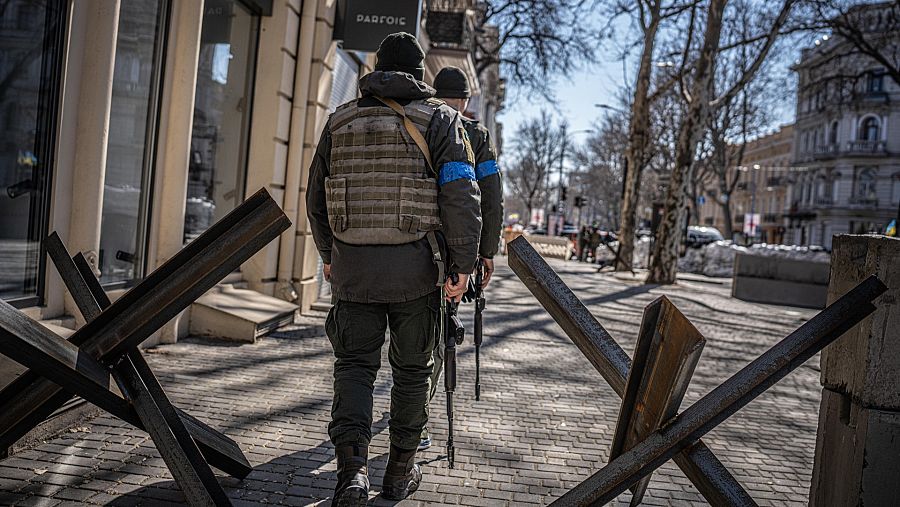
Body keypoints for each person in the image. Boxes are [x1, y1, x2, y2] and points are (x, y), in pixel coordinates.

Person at [306, 33, 481, 505]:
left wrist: (327, 253)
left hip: (353, 270)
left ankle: (351, 475)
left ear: (377, 69)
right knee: (412, 372)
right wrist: (462, 265)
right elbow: (461, 196)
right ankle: (400, 472)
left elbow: (316, 196)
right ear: (420, 73)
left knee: (354, 367)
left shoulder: (339, 120)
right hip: (417, 273)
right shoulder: (443, 120)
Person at [419, 66, 504, 450]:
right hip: (456, 254)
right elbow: (490, 195)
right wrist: (486, 253)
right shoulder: (476, 134)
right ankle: (416, 416)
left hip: (416, 247)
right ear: (467, 100)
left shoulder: (420, 121)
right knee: (438, 336)